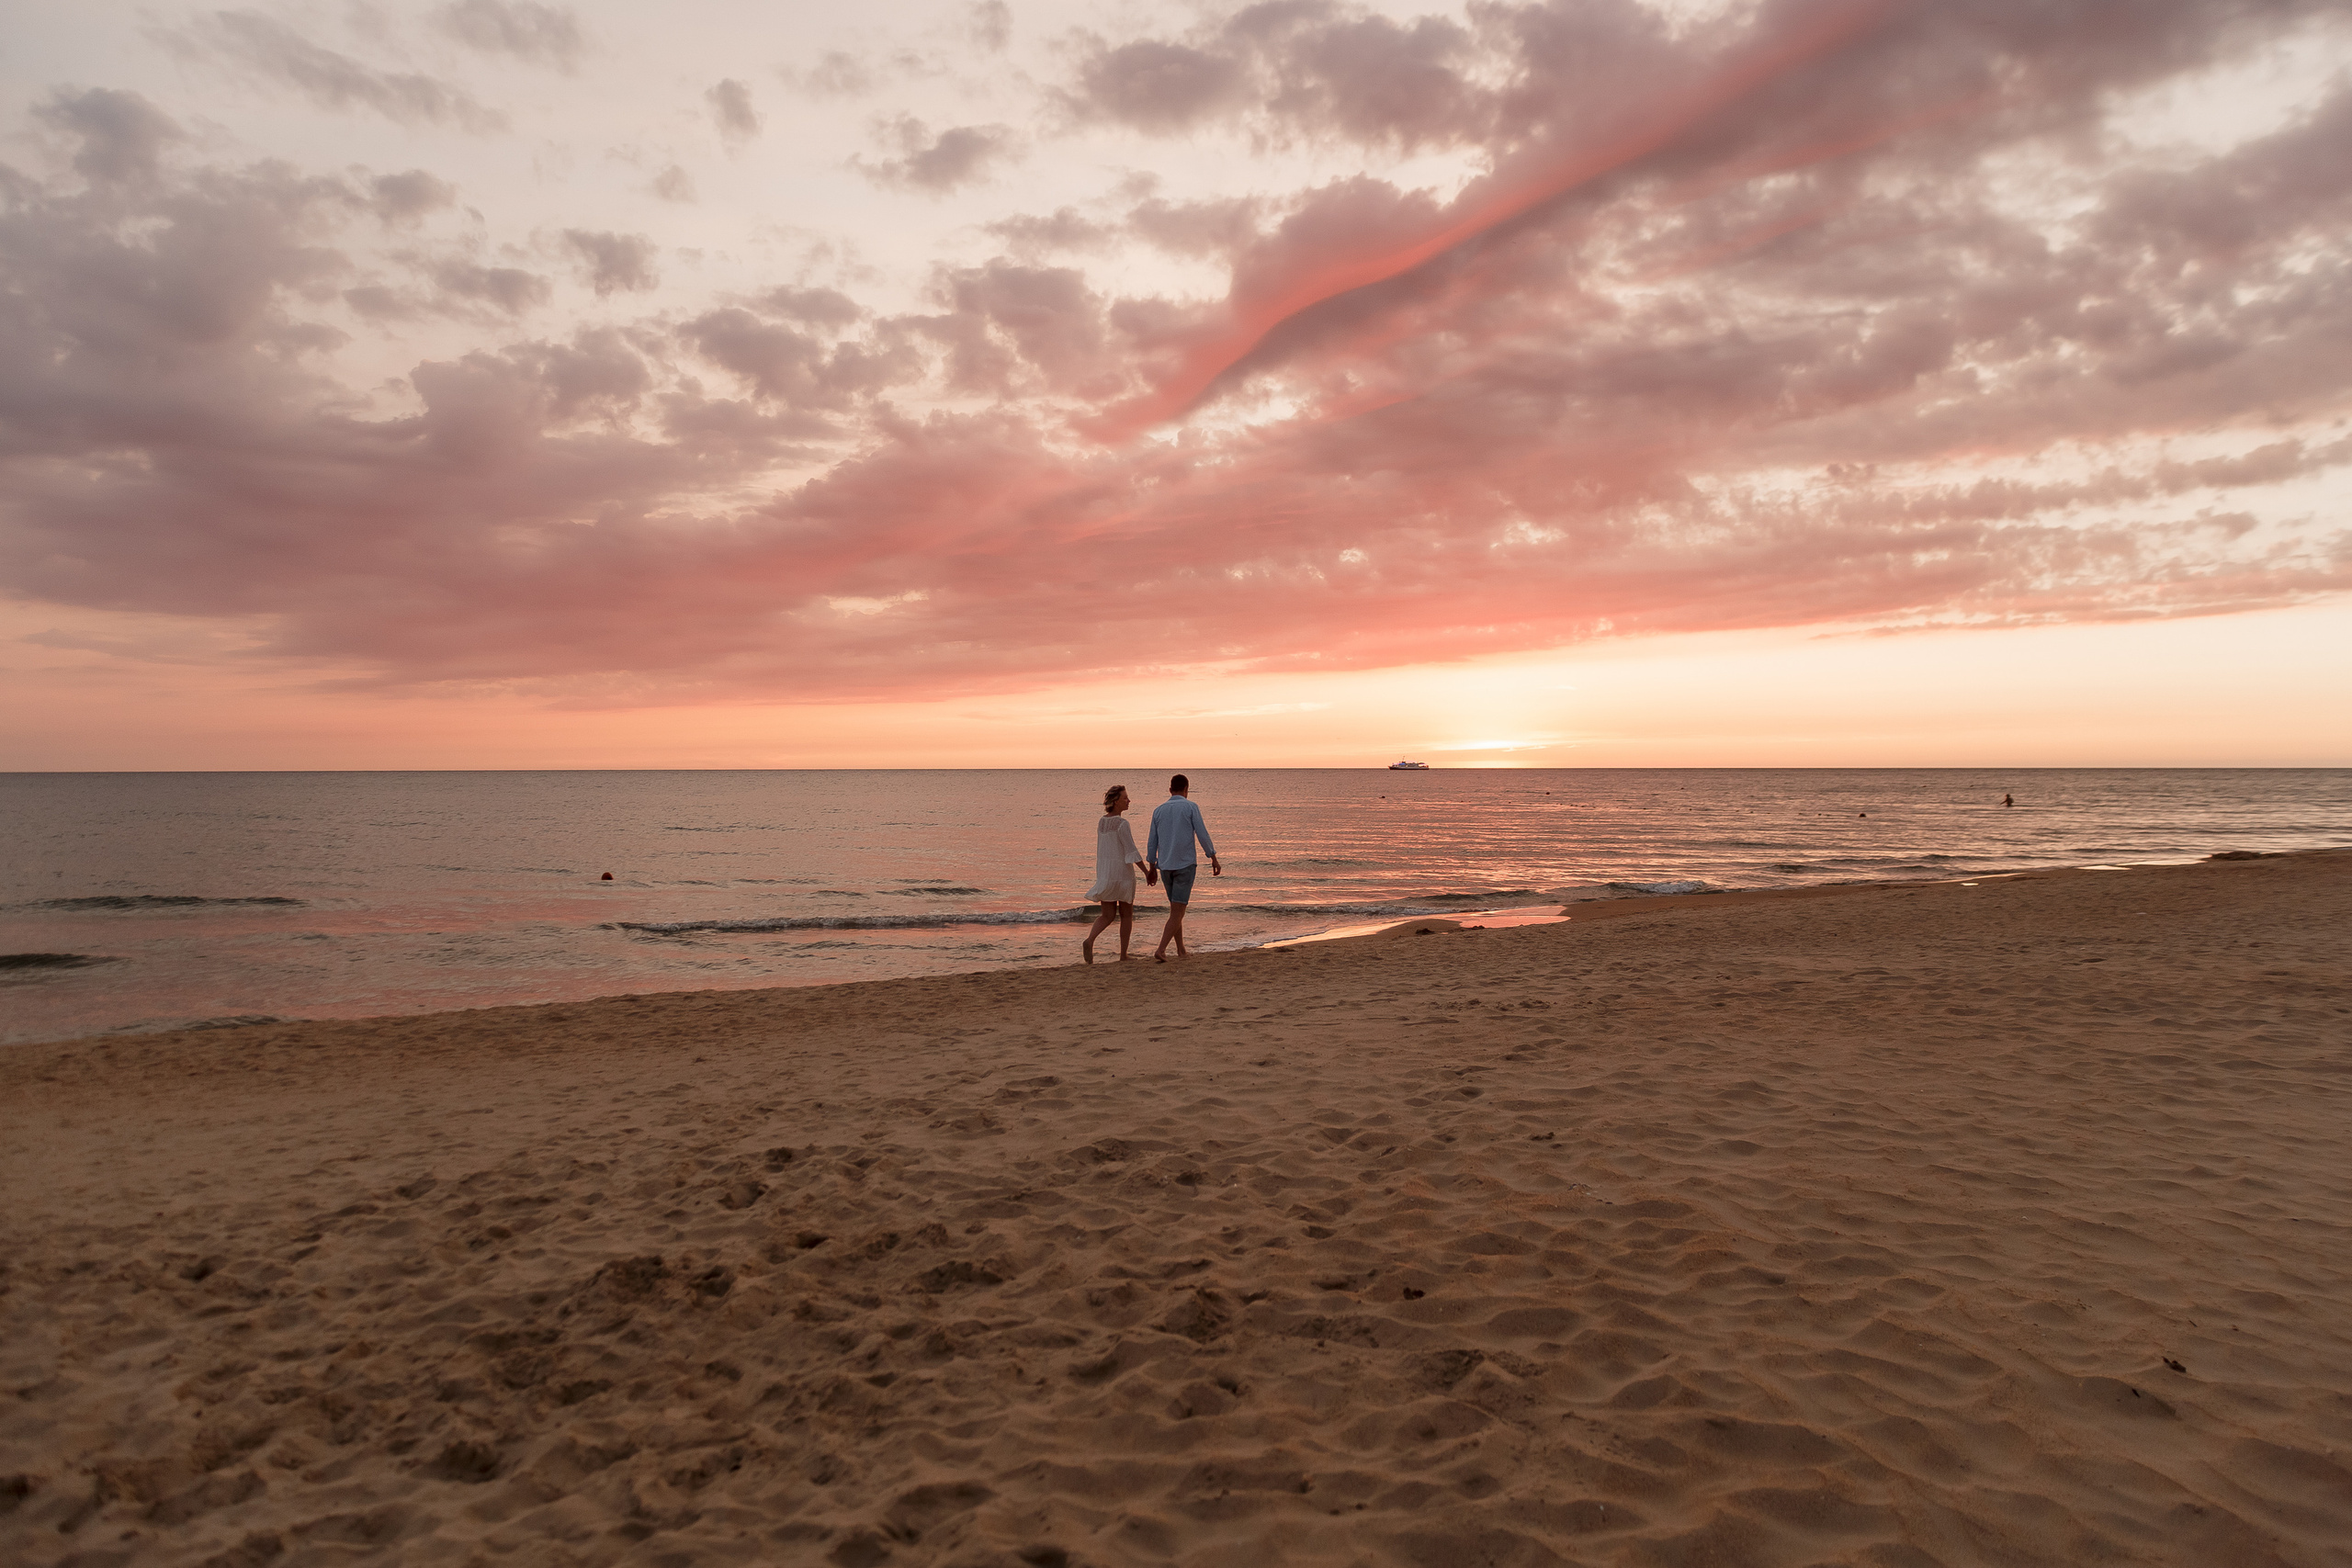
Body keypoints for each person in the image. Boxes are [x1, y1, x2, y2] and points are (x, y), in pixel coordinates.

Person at [1146, 773, 1221, 963]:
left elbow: (1152, 841)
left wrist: (1151, 865)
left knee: (1175, 909)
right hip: (1185, 865)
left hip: (1165, 866)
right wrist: (1213, 856)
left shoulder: (1158, 811)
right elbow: (1202, 834)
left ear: (1170, 790)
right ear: (1187, 790)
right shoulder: (1190, 807)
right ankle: (1161, 949)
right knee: (1177, 911)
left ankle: (1180, 949)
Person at [1082, 784, 1148, 964]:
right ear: (1116, 801)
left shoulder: (1102, 822)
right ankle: (1123, 954)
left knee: (1107, 915)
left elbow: (1104, 850)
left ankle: (1090, 940)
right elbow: (1131, 851)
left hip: (1107, 875)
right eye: (1125, 798)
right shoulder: (1122, 824)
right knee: (1127, 915)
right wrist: (1147, 872)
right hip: (1123, 875)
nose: (1129, 801)